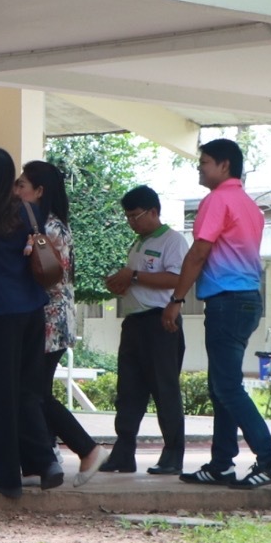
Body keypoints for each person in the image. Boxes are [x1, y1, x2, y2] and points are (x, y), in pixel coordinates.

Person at [164, 138, 271, 489]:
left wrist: (176, 300)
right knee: (221, 384)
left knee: (227, 386)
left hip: (226, 302)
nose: (199, 168)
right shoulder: (249, 205)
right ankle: (221, 464)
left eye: (204, 162)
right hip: (247, 300)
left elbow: (198, 253)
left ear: (224, 165)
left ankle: (270, 460)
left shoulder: (217, 200)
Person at [15, 160, 101, 486]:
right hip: (52, 318)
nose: (16, 191)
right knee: (35, 391)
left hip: (49, 319)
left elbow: (45, 276)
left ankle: (86, 448)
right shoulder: (52, 225)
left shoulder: (48, 229)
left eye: (22, 185)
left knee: (32, 392)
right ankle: (45, 456)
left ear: (39, 191)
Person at [98, 186, 188, 476]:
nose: (131, 222)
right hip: (134, 322)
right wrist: (123, 281)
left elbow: (177, 278)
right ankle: (124, 453)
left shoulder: (172, 240)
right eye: (127, 217)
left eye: (135, 216)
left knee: (165, 390)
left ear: (153, 211)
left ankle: (172, 454)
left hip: (160, 322)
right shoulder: (137, 244)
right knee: (128, 390)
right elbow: (137, 280)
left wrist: (134, 275)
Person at [0, 148, 49, 500]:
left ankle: (6, 476)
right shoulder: (27, 211)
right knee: (27, 390)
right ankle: (43, 460)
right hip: (32, 309)